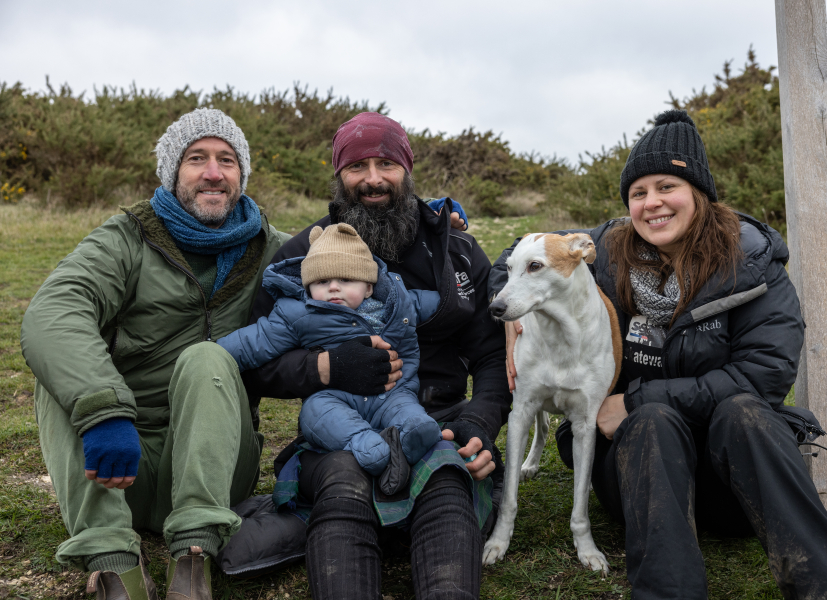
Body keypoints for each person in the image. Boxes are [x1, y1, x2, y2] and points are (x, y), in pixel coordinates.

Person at [491, 110, 827, 599]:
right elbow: (518, 256)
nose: (651, 203)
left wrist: (633, 400)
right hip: (638, 472)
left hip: (733, 480)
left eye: (666, 186)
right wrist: (514, 317)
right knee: (652, 420)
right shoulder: (605, 251)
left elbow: (763, 376)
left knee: (743, 411)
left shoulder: (752, 265)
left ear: (699, 193)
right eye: (638, 192)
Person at [20, 108, 292, 600]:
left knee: (207, 357)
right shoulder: (128, 237)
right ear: (172, 171)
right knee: (59, 377)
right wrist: (104, 412)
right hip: (115, 463)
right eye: (196, 158)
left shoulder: (274, 251)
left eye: (227, 160)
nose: (213, 172)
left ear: (242, 174)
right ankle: (113, 564)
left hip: (218, 469)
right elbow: (54, 311)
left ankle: (193, 556)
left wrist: (434, 224)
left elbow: (352, 271)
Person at [241, 111, 511, 599]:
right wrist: (325, 368)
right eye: (356, 166)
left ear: (407, 169)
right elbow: (257, 363)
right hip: (339, 428)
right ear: (338, 175)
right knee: (343, 482)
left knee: (446, 481)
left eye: (386, 164)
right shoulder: (303, 255)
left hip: (437, 421)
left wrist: (478, 425)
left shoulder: (457, 251)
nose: (372, 179)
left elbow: (493, 356)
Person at [217, 222, 442, 494]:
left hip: (393, 392)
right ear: (308, 286)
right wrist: (214, 354)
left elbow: (446, 302)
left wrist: (466, 297)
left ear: (369, 287)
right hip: (334, 395)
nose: (334, 288)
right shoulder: (297, 314)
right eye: (322, 282)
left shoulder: (397, 303)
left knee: (414, 418)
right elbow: (255, 340)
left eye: (346, 280)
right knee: (316, 413)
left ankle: (409, 438)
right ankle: (365, 443)